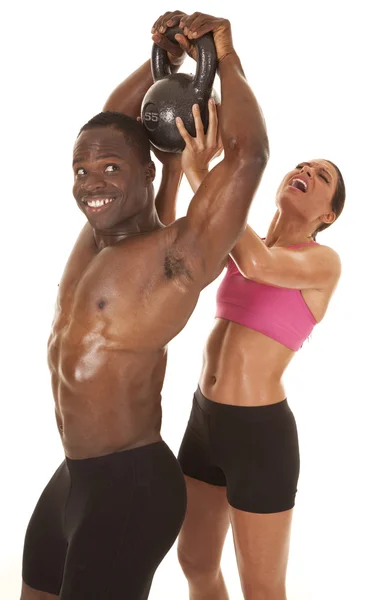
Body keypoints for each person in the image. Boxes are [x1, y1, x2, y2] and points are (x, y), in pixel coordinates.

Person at [20, 13, 269, 600]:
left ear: (146, 170)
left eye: (109, 169)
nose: (91, 183)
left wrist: (223, 57)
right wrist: (166, 56)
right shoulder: (96, 237)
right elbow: (113, 118)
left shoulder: (174, 257)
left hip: (129, 485)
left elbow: (248, 156)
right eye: (81, 170)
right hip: (72, 478)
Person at [152, 12, 346, 600]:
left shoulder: (320, 262)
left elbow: (258, 265)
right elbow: (175, 241)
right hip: (204, 419)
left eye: (322, 178)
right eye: (303, 166)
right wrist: (186, 170)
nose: (306, 172)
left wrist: (207, 180)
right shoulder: (245, 238)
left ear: (328, 215)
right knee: (195, 563)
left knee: (263, 589)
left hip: (260, 434)